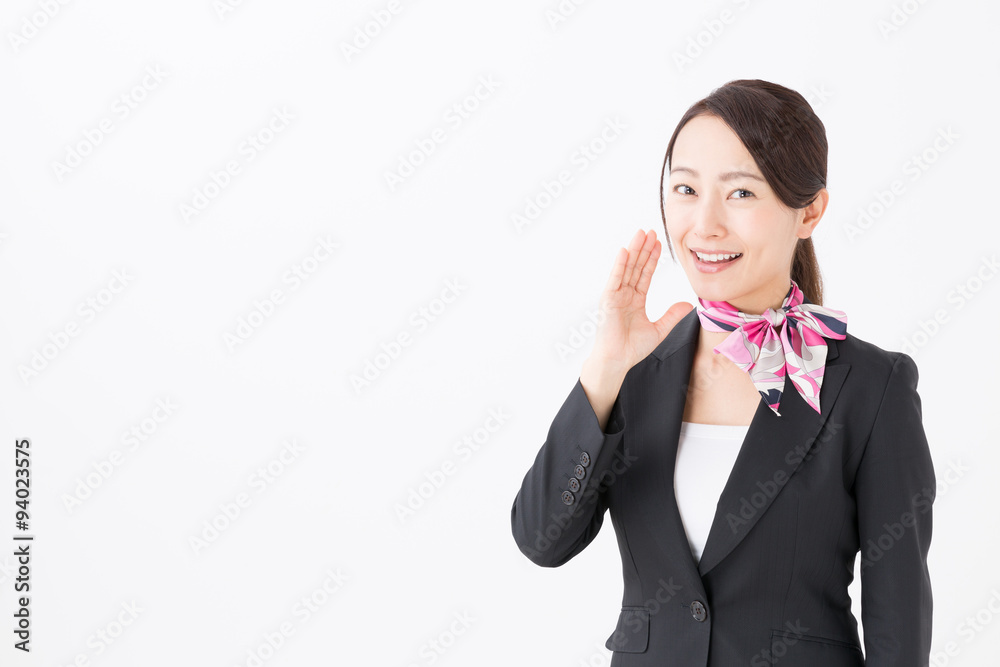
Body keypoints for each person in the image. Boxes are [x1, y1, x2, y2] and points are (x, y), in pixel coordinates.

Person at [509, 79, 934, 666]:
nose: (704, 225)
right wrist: (605, 370)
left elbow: (899, 624)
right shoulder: (634, 369)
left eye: (740, 193)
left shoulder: (871, 387)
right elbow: (541, 539)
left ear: (810, 211)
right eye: (686, 189)